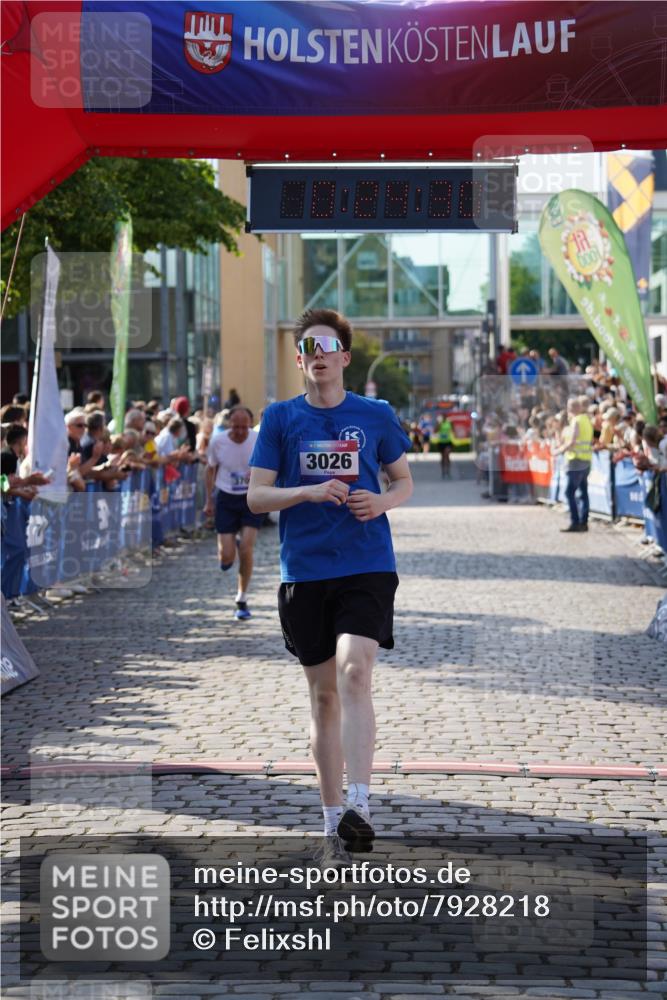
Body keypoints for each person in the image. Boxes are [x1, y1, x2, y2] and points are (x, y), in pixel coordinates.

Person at [247, 307, 413, 864]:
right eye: (307, 349)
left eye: (326, 347)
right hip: (305, 571)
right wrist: (307, 492)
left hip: (367, 563)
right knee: (323, 697)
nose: (317, 357)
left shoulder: (375, 415)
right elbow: (256, 497)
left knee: (355, 671)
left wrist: (381, 502)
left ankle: (359, 806)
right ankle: (330, 816)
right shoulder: (280, 418)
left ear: (344, 356)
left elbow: (403, 480)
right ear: (300, 361)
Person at [204, 406, 263, 620]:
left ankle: (242, 598)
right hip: (226, 498)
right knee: (226, 557)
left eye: (244, 427)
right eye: (236, 427)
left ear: (250, 424)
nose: (239, 431)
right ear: (230, 424)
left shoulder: (258, 439)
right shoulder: (218, 441)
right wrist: (209, 500)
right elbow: (210, 469)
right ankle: (230, 549)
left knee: (247, 548)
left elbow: (270, 466)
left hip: (250, 498)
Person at [553, 397, 593, 532]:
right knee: (583, 492)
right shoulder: (587, 420)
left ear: (572, 408)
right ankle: (583, 523)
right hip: (586, 461)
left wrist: (558, 451)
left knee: (569, 493)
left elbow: (572, 442)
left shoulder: (576, 421)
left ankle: (575, 522)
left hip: (575, 461)